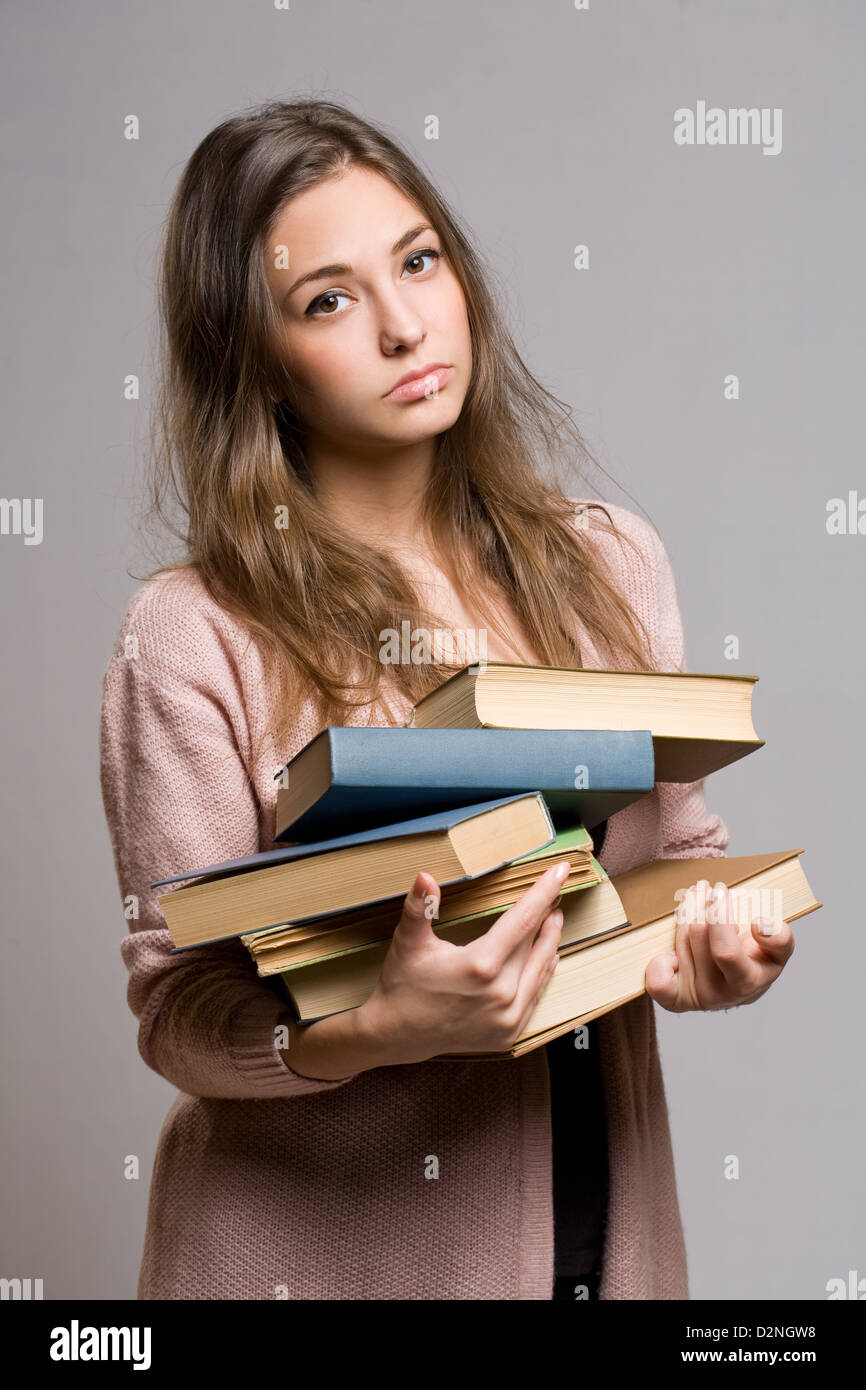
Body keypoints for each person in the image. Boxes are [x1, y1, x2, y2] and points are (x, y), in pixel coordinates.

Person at [99, 99, 795, 1301]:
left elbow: (676, 857)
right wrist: (378, 1026)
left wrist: (711, 947)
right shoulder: (193, 633)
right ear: (253, 356)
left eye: (417, 261)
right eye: (328, 298)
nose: (402, 323)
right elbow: (178, 1009)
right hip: (314, 1264)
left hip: (598, 1238)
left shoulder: (608, 563)